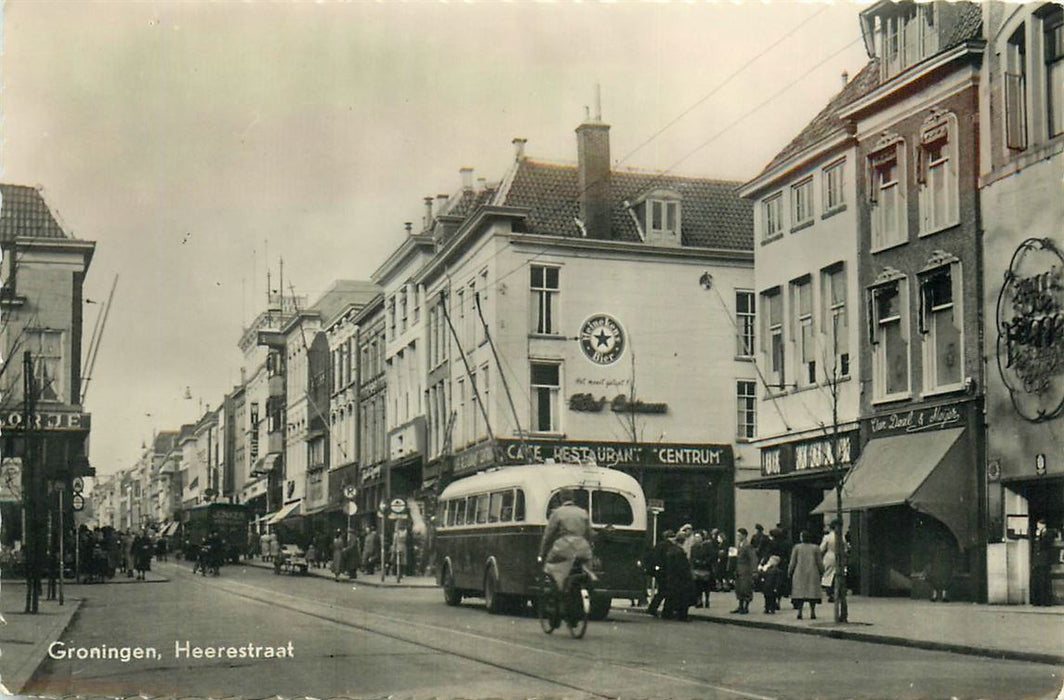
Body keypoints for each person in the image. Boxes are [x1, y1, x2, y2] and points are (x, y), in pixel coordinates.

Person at [537, 489, 594, 593]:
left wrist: (542, 554)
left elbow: (548, 535)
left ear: (561, 498)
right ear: (573, 497)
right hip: (582, 548)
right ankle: (589, 585)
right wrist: (590, 547)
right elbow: (589, 534)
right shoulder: (583, 512)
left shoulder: (557, 513)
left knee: (549, 566)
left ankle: (557, 590)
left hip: (564, 547)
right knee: (587, 568)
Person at [788, 530, 824, 620]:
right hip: (812, 572)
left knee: (800, 595)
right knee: (812, 595)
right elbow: (819, 562)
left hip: (799, 572)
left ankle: (800, 612)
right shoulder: (815, 548)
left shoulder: (797, 547)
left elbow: (793, 561)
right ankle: (812, 612)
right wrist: (822, 571)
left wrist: (789, 571)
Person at [661, 532, 696, 621]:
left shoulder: (671, 550)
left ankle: (667, 613)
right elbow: (683, 567)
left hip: (672, 577)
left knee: (671, 596)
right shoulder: (679, 552)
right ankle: (682, 616)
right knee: (684, 597)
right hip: (681, 579)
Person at [645, 531, 674, 617]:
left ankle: (653, 608)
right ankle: (664, 611)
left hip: (659, 571)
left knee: (662, 591)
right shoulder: (668, 546)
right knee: (665, 591)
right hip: (664, 572)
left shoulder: (659, 545)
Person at [731, 527, 759, 614]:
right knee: (738, 588)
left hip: (746, 570)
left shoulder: (748, 546)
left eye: (739, 535)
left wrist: (754, 570)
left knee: (745, 588)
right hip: (738, 569)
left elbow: (753, 558)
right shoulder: (739, 545)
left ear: (744, 536)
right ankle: (740, 606)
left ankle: (746, 607)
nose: (738, 537)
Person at [1031, 518, 1057, 606]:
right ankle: (1038, 600)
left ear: (1043, 525)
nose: (1038, 527)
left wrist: (1039, 537)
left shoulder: (1049, 533)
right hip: (1037, 561)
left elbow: (1045, 545)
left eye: (1039, 525)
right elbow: (1035, 548)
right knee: (1037, 581)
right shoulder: (1038, 534)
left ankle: (1046, 601)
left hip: (1045, 561)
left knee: (1044, 581)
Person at [690, 530, 714, 608]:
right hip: (697, 568)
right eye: (696, 537)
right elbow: (692, 557)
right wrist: (695, 562)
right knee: (697, 586)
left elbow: (711, 556)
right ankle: (699, 600)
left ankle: (707, 600)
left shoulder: (707, 546)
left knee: (706, 585)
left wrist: (705, 562)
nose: (697, 539)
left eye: (698, 537)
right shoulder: (693, 547)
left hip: (705, 568)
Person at [820, 520, 841, 603]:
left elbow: (821, 548)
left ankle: (830, 593)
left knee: (828, 575)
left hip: (829, 556)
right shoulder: (841, 537)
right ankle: (837, 592)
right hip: (839, 557)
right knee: (837, 574)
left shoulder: (827, 537)